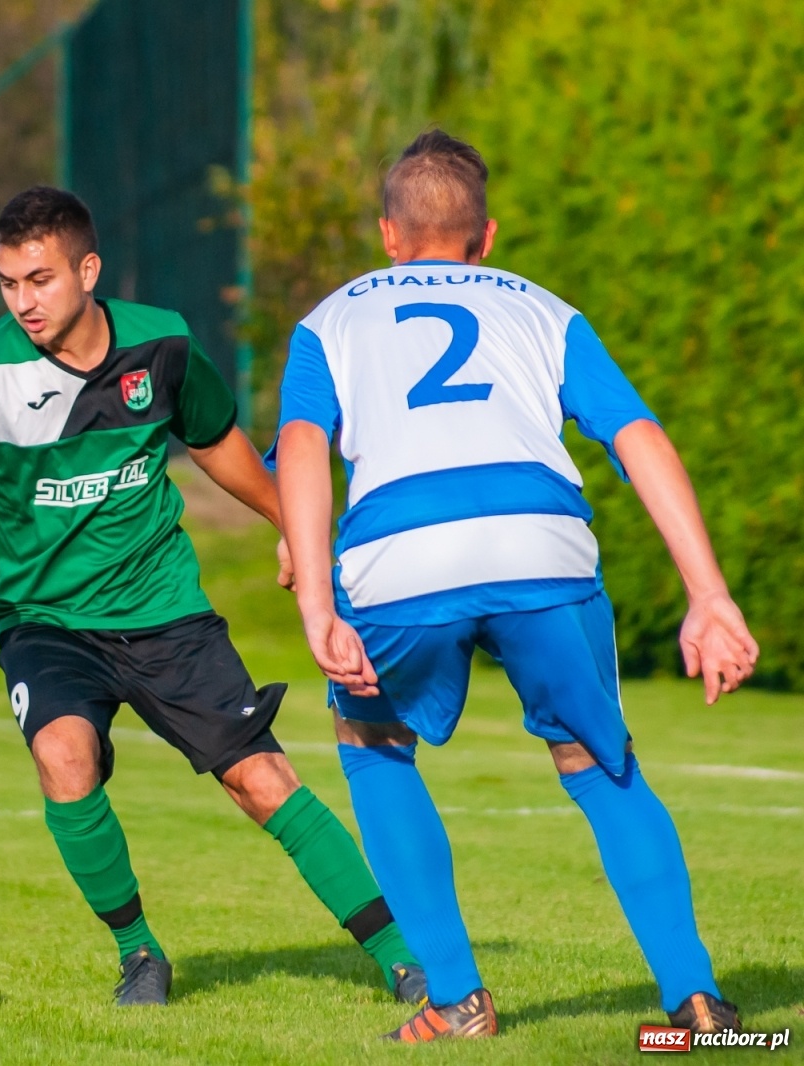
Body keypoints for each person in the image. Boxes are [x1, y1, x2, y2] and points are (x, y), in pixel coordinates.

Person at [274, 129, 761, 1042]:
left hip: (399, 554)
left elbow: (303, 446)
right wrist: (710, 593)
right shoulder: (543, 309)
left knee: (372, 743)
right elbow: (638, 438)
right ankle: (695, 1003)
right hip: (543, 543)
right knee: (598, 761)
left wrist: (314, 596)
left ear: (387, 233)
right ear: (485, 236)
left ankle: (458, 1002)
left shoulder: (330, 319)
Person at [0, 185, 423, 1007]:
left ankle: (406, 956)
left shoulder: (164, 345)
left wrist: (292, 526)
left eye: (39, 279)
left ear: (88, 269)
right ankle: (139, 954)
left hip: (165, 615)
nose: (23, 301)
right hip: (46, 623)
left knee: (261, 781)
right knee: (63, 759)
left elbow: (221, 446)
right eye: (8, 283)